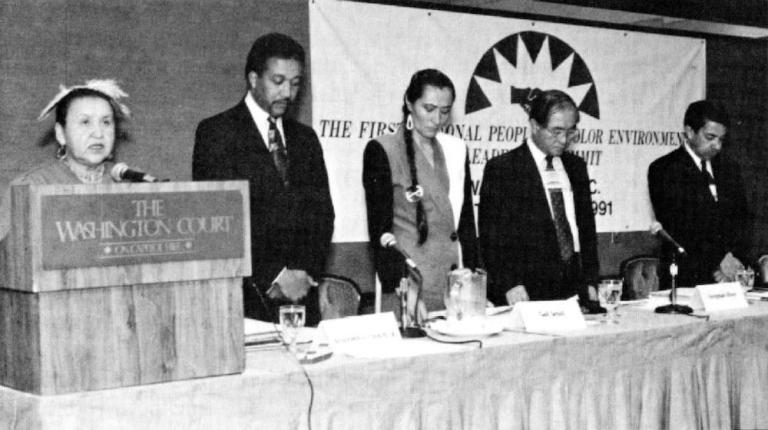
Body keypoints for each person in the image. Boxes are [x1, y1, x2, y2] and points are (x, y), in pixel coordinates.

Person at [193, 33, 334, 326]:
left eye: (295, 84)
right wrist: (276, 276)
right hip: (247, 298)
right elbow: (220, 225)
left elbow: (322, 215)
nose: (287, 93)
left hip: (302, 298)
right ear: (254, 78)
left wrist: (303, 276)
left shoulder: (305, 139)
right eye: (278, 81)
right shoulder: (217, 134)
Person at [363, 69, 479, 313]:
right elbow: (380, 232)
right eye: (429, 108)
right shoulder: (382, 150)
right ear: (409, 103)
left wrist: (475, 285)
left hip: (455, 283)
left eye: (445, 111)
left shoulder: (456, 150)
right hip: (408, 287)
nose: (437, 119)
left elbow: (466, 223)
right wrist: (405, 290)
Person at [479, 89, 599, 306]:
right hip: (526, 288)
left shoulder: (576, 167)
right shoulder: (503, 169)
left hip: (574, 284)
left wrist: (591, 279)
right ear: (534, 126)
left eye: (571, 132)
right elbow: (491, 237)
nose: (564, 140)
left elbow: (586, 229)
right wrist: (509, 283)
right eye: (556, 132)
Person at [0, 79, 131, 240]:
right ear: (61, 134)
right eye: (85, 122)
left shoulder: (132, 182)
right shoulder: (30, 187)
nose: (98, 133)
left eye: (106, 122)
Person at [648, 100, 750, 287]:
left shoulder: (730, 169)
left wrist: (735, 259)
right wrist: (719, 260)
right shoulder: (663, 169)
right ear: (689, 132)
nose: (717, 146)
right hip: (687, 278)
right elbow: (679, 225)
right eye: (710, 137)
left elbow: (742, 220)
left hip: (729, 277)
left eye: (721, 139)